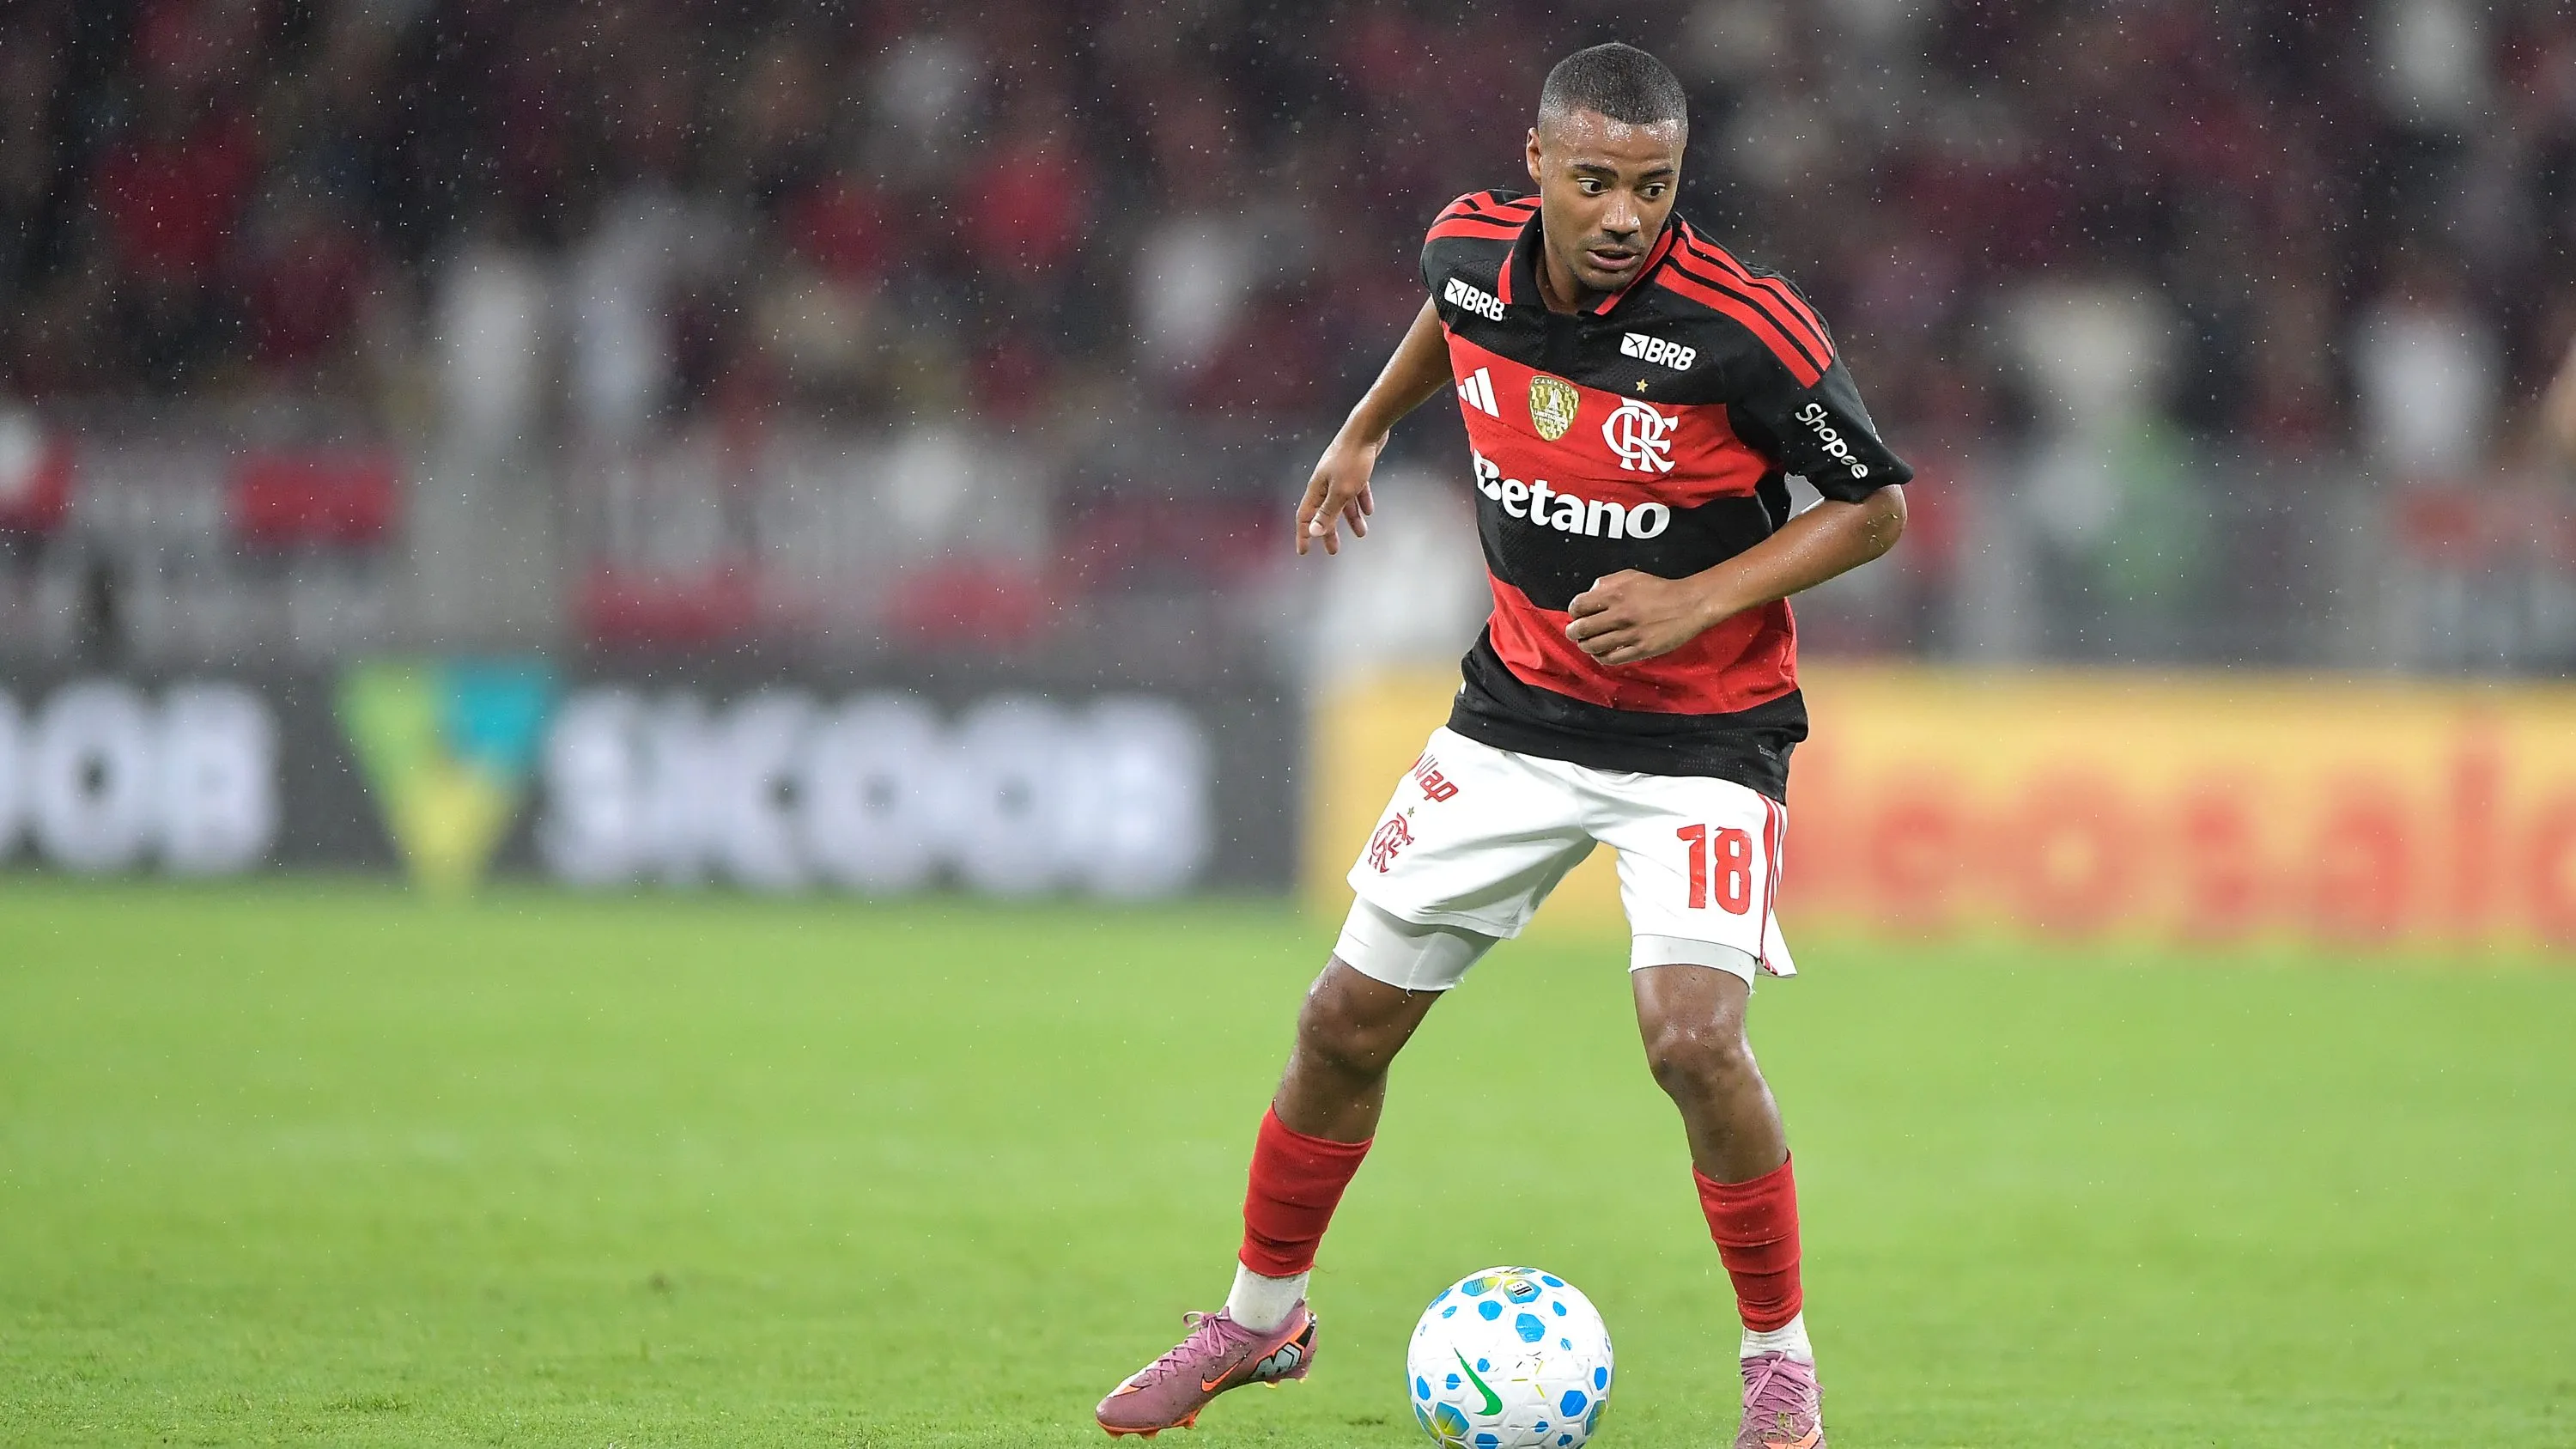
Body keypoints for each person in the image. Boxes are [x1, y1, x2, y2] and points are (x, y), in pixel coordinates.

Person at [1094, 42, 1911, 1449]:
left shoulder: (1745, 329)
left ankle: (1779, 1367)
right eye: (1593, 181)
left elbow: (1877, 506)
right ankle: (1260, 1315)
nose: (1624, 215)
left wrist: (1696, 600)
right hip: (1517, 717)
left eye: (1653, 187)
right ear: (1536, 165)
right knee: (1341, 1022)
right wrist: (1364, 429)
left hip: (1703, 738)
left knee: (1692, 1041)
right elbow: (1453, 314)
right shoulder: (1467, 250)